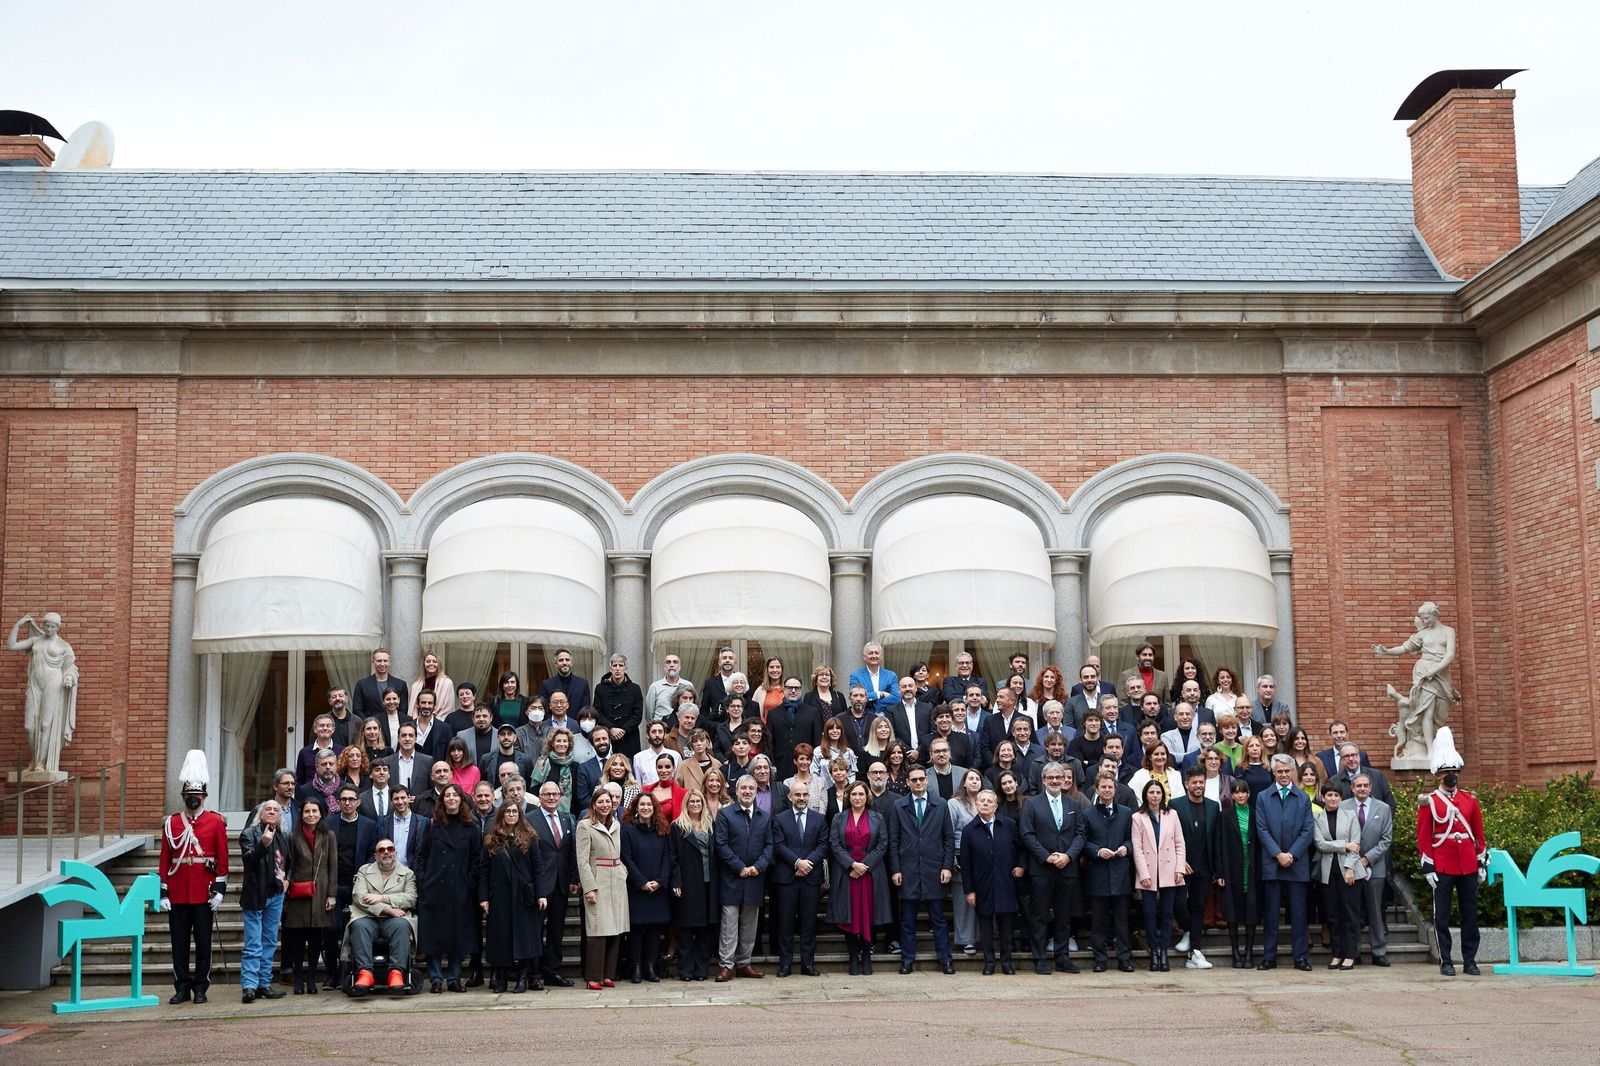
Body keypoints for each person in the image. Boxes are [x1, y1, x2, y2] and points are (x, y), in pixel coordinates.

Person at [157, 751, 229, 1005]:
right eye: (189, 795)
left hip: (204, 892)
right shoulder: (172, 823)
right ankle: (181, 986)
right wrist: (163, 892)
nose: (193, 799)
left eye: (197, 796)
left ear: (205, 797)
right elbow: (165, 859)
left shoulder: (216, 822)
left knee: (203, 943)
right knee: (179, 944)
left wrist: (219, 890)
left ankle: (201, 987)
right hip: (178, 891)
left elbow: (222, 859)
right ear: (183, 796)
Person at [1417, 728, 1484, 976]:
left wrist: (1481, 861)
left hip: (1467, 863)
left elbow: (1478, 834)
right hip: (1443, 864)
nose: (1451, 776)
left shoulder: (1470, 800)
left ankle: (1470, 960)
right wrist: (1428, 865)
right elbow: (1424, 836)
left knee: (1469, 914)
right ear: (1438, 775)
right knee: (1441, 916)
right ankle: (1446, 960)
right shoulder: (1430, 801)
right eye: (1447, 773)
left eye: (1454, 772)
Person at [1020, 761, 1087, 975]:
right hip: (1042, 868)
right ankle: (1040, 959)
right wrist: (1047, 857)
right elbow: (1027, 834)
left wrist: (1068, 856)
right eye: (1051, 778)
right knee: (1040, 916)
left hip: (1067, 868)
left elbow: (1080, 834)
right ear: (1043, 780)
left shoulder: (1073, 804)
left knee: (1064, 916)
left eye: (1059, 778)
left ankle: (1062, 957)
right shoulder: (1031, 804)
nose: (1056, 781)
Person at [888, 765, 956, 974]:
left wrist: (947, 866)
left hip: (934, 869)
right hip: (907, 870)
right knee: (908, 920)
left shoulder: (941, 804)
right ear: (907, 782)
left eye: (921, 779)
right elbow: (894, 840)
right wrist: (895, 869)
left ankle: (945, 959)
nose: (918, 783)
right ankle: (907, 959)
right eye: (914, 780)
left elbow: (948, 838)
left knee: (938, 918)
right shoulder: (899, 806)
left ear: (926, 781)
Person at [416, 783, 481, 993]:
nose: (451, 798)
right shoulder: (431, 825)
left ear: (462, 800)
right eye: (447, 795)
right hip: (434, 888)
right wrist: (424, 880)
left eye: (455, 795)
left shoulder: (472, 827)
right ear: (442, 800)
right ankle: (435, 978)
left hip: (460, 889)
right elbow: (421, 855)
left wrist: (469, 881)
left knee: (458, 935)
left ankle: (454, 978)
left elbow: (476, 859)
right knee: (433, 935)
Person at [1255, 754, 1315, 971]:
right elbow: (1261, 829)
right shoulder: (1263, 797)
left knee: (1299, 914)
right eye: (1279, 771)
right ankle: (1269, 957)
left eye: (1286, 771)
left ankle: (1300, 958)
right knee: (1271, 915)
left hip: (1297, 864)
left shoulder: (1303, 798)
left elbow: (1308, 830)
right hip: (1272, 864)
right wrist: (1277, 854)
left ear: (1293, 771)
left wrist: (1292, 854)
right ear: (1273, 772)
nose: (1283, 774)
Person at [479, 801, 545, 993]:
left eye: (514, 811)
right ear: (501, 814)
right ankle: (500, 978)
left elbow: (538, 868)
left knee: (524, 938)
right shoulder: (491, 839)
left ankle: (523, 978)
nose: (511, 814)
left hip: (523, 896)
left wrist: (541, 894)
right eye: (507, 811)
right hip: (499, 896)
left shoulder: (530, 838)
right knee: (500, 938)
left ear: (520, 814)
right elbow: (484, 870)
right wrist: (483, 897)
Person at [713, 775, 772, 980]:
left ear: (756, 791)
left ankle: (744, 963)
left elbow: (769, 846)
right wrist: (740, 867)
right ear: (736, 791)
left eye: (751, 788)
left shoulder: (764, 817)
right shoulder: (725, 815)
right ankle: (727, 965)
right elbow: (721, 844)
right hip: (732, 877)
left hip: (755, 877)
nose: (747, 792)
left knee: (750, 924)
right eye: (743, 788)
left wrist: (758, 867)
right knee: (729, 924)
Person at [828, 780, 890, 975]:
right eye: (854, 794)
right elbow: (835, 844)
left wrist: (864, 866)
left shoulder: (877, 817)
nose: (857, 798)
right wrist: (851, 865)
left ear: (867, 797)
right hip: (847, 873)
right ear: (848, 797)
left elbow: (882, 844)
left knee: (868, 914)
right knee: (850, 915)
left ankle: (866, 956)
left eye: (861, 794)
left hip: (870, 873)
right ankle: (853, 957)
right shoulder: (839, 818)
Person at [959, 788, 1023, 974]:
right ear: (976, 804)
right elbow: (966, 863)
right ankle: (989, 962)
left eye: (989, 801)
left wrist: (1021, 866)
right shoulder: (969, 830)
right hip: (982, 886)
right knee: (985, 927)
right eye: (982, 800)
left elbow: (1021, 849)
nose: (985, 803)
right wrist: (969, 891)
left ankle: (1007, 962)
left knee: (1006, 927)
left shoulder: (1009, 825)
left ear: (996, 806)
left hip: (1006, 884)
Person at [770, 778, 828, 977]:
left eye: (804, 794)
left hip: (811, 878)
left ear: (809, 796)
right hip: (787, 877)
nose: (801, 798)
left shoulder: (819, 819)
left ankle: (807, 964)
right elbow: (778, 846)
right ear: (790, 796)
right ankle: (785, 964)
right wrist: (797, 863)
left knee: (809, 923)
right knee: (785, 924)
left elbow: (823, 845)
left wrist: (807, 863)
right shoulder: (779, 819)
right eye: (797, 795)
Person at [347, 838, 420, 994]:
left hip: (395, 919)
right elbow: (359, 897)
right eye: (381, 850)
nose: (386, 852)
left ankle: (396, 972)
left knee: (402, 926)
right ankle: (365, 973)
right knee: (359, 926)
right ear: (376, 855)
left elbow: (411, 898)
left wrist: (382, 898)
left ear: (395, 853)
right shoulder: (364, 871)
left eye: (390, 849)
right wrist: (388, 910)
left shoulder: (407, 873)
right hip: (367, 916)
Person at [281, 794, 337, 995]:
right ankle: (297, 978)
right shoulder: (293, 837)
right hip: (298, 892)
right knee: (297, 939)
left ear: (321, 813)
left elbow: (333, 867)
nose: (311, 815)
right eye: (307, 811)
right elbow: (290, 865)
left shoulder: (328, 835)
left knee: (315, 939)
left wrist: (332, 894)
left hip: (321, 891)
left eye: (314, 811)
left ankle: (312, 978)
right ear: (301, 814)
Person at [237, 796, 290, 1003]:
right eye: (268, 809)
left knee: (268, 942)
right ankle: (249, 986)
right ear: (260, 814)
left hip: (275, 895)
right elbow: (249, 861)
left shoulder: (283, 836)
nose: (272, 812)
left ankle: (263, 984)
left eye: (276, 810)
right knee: (253, 944)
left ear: (279, 816)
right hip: (254, 895)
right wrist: (263, 844)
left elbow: (289, 863)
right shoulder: (249, 834)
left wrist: (287, 881)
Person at [1082, 772, 1135, 973]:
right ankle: (1100, 959)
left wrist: (1126, 848)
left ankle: (1124, 959)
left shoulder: (1126, 812)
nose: (1106, 790)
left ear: (1115, 789)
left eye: (1110, 787)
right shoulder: (1087, 814)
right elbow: (1082, 840)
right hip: (1098, 873)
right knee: (1098, 921)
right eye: (1103, 787)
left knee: (1122, 920)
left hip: (1120, 873)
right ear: (1097, 789)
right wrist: (1096, 851)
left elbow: (1131, 838)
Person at [528, 779, 579, 986]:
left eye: (555, 794)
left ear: (560, 797)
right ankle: (535, 973)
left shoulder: (567, 819)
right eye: (547, 794)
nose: (551, 797)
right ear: (540, 798)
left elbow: (570, 852)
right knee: (536, 929)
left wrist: (574, 878)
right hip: (539, 884)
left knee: (557, 930)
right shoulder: (530, 819)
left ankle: (553, 971)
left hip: (561, 884)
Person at [576, 784, 628, 989]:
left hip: (616, 879)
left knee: (615, 927)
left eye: (608, 801)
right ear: (594, 805)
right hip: (598, 879)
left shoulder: (616, 823)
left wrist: (623, 872)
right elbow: (582, 860)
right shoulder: (585, 825)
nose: (606, 805)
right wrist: (589, 887)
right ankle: (592, 976)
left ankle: (608, 974)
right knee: (597, 929)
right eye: (601, 802)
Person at [1132, 778, 1186, 972]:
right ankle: (1153, 952)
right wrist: (1143, 873)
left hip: (1169, 871)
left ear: (1163, 795)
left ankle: (1164, 952)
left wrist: (1179, 868)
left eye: (1158, 792)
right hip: (1147, 871)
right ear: (1146, 795)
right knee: (1148, 913)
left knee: (1166, 913)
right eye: (1151, 792)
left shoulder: (1172, 814)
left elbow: (1180, 843)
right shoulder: (1138, 817)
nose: (1155, 796)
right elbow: (1137, 848)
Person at [1170, 767, 1221, 969]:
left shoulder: (1213, 806)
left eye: (1201, 782)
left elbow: (1216, 839)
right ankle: (1190, 930)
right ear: (1186, 784)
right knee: (1178, 903)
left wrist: (1217, 870)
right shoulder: (1175, 805)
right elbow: (1170, 836)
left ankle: (1195, 952)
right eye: (1195, 782)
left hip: (1204, 866)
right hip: (1181, 865)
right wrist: (1179, 860)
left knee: (1198, 907)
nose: (1198, 786)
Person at [619, 793, 672, 983]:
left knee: (654, 930)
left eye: (649, 804)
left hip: (658, 889)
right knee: (635, 930)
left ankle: (651, 966)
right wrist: (641, 882)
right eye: (642, 804)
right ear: (636, 807)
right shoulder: (627, 830)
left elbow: (668, 857)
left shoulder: (662, 829)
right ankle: (636, 967)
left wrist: (660, 880)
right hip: (636, 888)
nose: (646, 808)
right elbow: (626, 858)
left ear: (654, 807)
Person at [669, 790, 720, 981]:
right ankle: (686, 971)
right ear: (686, 804)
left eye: (699, 801)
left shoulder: (710, 825)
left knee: (705, 931)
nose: (696, 804)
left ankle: (701, 971)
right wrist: (676, 882)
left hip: (709, 884)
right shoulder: (678, 827)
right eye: (692, 801)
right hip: (688, 884)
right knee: (686, 931)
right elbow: (672, 857)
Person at [1313, 782, 1363, 970]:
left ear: (1341, 798)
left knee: (1349, 914)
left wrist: (1349, 867)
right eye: (1329, 795)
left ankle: (1351, 954)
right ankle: (1337, 953)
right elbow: (1320, 844)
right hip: (1327, 873)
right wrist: (1344, 845)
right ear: (1323, 797)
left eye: (1336, 795)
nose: (1332, 798)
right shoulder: (1317, 817)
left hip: (1349, 873)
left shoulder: (1350, 816)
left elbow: (1356, 843)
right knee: (1332, 915)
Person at [1217, 777, 1259, 967]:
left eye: (1243, 791)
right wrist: (1220, 873)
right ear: (1232, 795)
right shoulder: (1225, 816)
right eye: (1236, 792)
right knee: (1232, 911)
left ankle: (1249, 952)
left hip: (1251, 869)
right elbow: (1218, 845)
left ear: (1249, 794)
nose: (1240, 795)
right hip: (1231, 868)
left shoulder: (1256, 814)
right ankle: (1235, 952)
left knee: (1251, 911)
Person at [946, 769, 983, 956]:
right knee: (963, 901)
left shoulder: (986, 801)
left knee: (982, 898)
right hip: (961, 857)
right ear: (964, 783)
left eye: (978, 779)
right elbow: (949, 833)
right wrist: (951, 859)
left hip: (983, 858)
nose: (975, 781)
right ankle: (966, 940)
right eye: (971, 779)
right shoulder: (954, 804)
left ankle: (982, 937)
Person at [531, 728, 597, 816]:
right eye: (558, 741)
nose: (562, 744)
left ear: (569, 744)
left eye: (565, 741)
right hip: (546, 813)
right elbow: (534, 790)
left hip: (572, 815)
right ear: (552, 744)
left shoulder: (575, 766)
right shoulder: (543, 763)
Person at [767, 676, 822, 780]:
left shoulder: (813, 712)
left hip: (806, 767)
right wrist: (772, 766)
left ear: (801, 690)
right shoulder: (773, 714)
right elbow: (769, 744)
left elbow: (817, 742)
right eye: (789, 688)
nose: (793, 691)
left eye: (796, 688)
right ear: (783, 690)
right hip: (781, 766)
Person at [593, 653, 645, 758]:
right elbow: (597, 712)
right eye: (614, 665)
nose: (617, 669)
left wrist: (624, 729)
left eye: (621, 665)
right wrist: (611, 728)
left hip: (630, 737)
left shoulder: (635, 689)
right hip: (607, 736)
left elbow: (638, 714)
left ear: (626, 668)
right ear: (610, 668)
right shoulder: (600, 688)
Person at [1329, 743, 1394, 806]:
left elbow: (1390, 803)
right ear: (1342, 760)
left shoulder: (1377, 776)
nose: (1351, 759)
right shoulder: (1334, 781)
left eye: (1353, 755)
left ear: (1359, 756)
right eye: (1346, 756)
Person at [352, 648, 408, 722]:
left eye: (385, 661)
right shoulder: (362, 684)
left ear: (389, 662)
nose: (382, 664)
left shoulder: (400, 684)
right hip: (371, 729)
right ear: (373, 662)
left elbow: (403, 709)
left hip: (394, 726)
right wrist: (370, 723)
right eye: (379, 661)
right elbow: (357, 710)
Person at [848, 641, 900, 715]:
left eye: (877, 653)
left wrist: (876, 704)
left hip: (887, 717)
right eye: (870, 653)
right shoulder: (856, 675)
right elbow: (855, 696)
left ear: (881, 656)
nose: (874, 655)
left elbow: (896, 698)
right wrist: (879, 694)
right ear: (864, 657)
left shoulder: (891, 675)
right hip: (865, 716)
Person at [296, 715, 345, 785]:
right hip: (310, 794)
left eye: (328, 726)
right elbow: (299, 780)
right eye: (321, 725)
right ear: (315, 729)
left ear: (333, 729)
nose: (325, 728)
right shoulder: (304, 752)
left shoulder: (342, 751)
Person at [540, 648, 591, 713]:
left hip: (576, 723)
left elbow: (585, 710)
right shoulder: (546, 684)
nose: (564, 663)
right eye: (561, 660)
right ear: (556, 664)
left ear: (572, 663)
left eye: (567, 660)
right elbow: (545, 710)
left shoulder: (583, 684)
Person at [699, 646, 740, 725]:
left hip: (739, 729)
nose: (727, 660)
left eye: (730, 658)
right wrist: (708, 725)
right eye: (724, 658)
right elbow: (704, 709)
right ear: (719, 662)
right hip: (717, 729)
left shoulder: (742, 683)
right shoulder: (710, 684)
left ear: (734, 662)